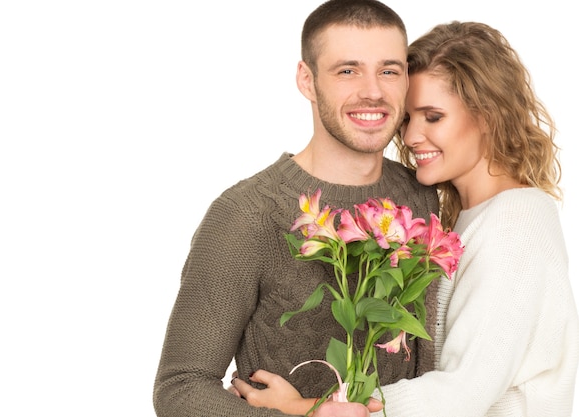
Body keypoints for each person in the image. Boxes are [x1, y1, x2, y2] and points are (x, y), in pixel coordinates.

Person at [233, 20, 579, 416]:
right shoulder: (461, 217)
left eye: (433, 117)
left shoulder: (518, 223)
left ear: (488, 115)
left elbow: (462, 391)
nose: (412, 137)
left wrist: (304, 409)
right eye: (408, 120)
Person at [152, 1, 440, 416]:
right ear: (307, 80)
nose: (373, 90)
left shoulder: (421, 195)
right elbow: (180, 389)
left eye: (389, 70)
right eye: (348, 70)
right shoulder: (246, 216)